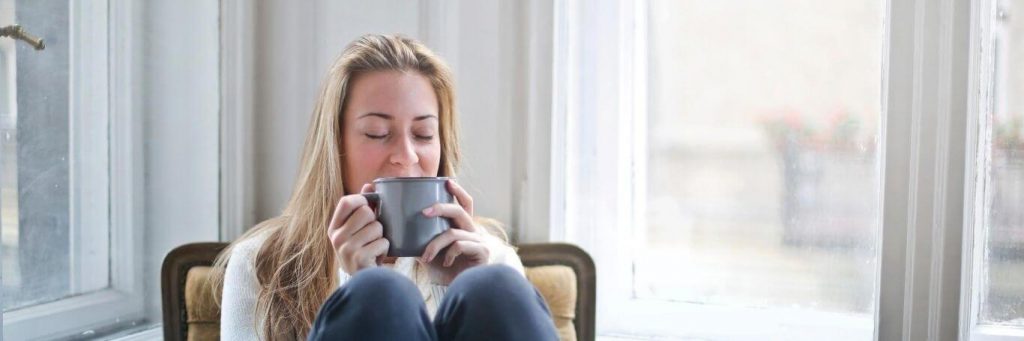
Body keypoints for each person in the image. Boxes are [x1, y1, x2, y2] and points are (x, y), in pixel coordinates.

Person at [209, 34, 558, 341]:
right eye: (377, 134)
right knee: (380, 293)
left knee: (494, 287)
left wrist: (453, 290)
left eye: (423, 135)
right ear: (335, 145)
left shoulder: (491, 258)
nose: (406, 156)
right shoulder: (263, 263)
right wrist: (355, 283)